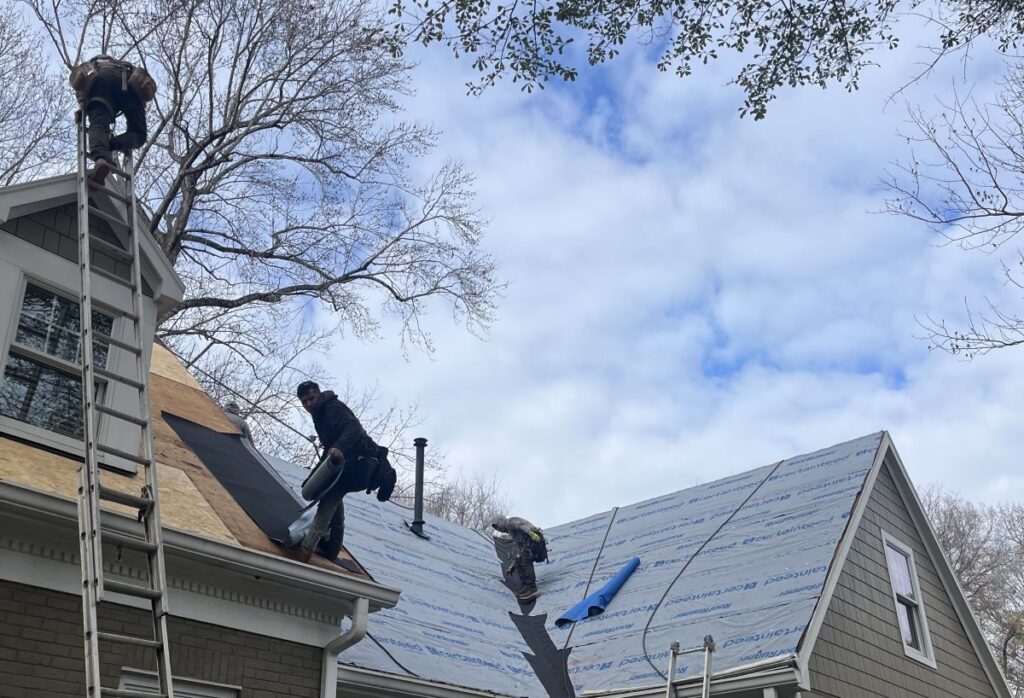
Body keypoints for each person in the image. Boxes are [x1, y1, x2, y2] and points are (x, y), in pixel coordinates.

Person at [295, 380, 396, 563]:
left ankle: (306, 548)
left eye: (311, 398)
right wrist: (313, 477)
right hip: (345, 463)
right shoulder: (319, 415)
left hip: (361, 464)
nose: (309, 404)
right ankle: (333, 545)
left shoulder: (331, 407)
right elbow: (329, 450)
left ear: (319, 394)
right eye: (305, 402)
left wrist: (340, 447)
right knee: (322, 491)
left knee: (330, 496)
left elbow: (354, 428)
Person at [69, 54, 157, 183]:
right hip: (129, 82)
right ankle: (109, 145)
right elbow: (142, 97)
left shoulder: (89, 69)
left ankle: (101, 158)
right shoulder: (126, 66)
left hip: (101, 82)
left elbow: (81, 91)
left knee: (98, 124)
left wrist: (83, 110)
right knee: (139, 134)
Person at [491, 516, 548, 602]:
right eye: (497, 529)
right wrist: (513, 565)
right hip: (528, 543)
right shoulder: (511, 532)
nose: (499, 529)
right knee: (519, 561)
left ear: (500, 522)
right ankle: (526, 587)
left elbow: (520, 525)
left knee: (526, 560)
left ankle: (531, 587)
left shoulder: (510, 522)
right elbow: (521, 549)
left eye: (498, 526)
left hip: (532, 538)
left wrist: (530, 533)